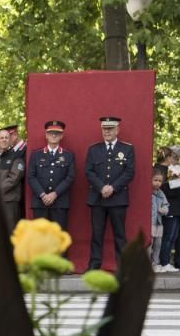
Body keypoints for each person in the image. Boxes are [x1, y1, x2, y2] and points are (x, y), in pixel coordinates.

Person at [85, 116, 135, 270]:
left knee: (120, 235)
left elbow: (129, 172)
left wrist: (112, 188)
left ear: (117, 130)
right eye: (104, 129)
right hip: (98, 198)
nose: (106, 132)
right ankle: (94, 265)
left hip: (118, 198)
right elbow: (89, 171)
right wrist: (102, 187)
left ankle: (123, 267)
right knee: (97, 235)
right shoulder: (94, 149)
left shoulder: (127, 149)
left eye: (110, 129)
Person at [27, 120, 75, 232]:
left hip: (59, 202)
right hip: (40, 203)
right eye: (51, 133)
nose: (54, 135)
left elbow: (70, 177)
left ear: (61, 136)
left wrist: (55, 194)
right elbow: (31, 177)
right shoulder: (36, 155)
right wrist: (43, 195)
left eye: (57, 133)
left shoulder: (68, 155)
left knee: (59, 238)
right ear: (46, 135)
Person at [0, 127, 25, 228]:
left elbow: (13, 179)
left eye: (6, 138)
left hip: (9, 202)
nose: (4, 140)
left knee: (10, 232)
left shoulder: (17, 157)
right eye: (1, 138)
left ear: (10, 139)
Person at [149, 168, 169, 271]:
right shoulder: (147, 193)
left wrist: (164, 210)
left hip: (159, 223)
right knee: (149, 243)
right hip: (150, 223)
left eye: (160, 181)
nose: (158, 183)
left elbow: (166, 205)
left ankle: (155, 263)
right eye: (155, 180)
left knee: (158, 243)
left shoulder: (161, 193)